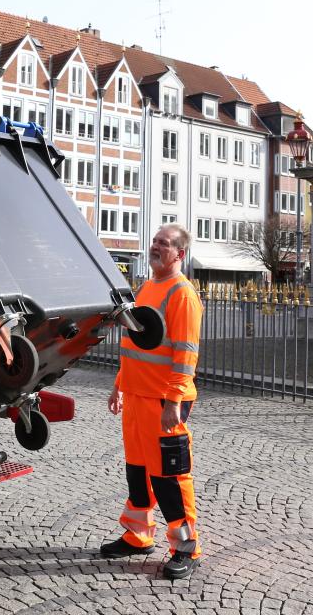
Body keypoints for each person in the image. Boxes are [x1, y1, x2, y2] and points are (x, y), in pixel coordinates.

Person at [101, 224, 203, 580]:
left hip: (164, 401)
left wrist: (174, 402)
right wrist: (120, 384)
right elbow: (137, 344)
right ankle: (138, 535)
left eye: (166, 243)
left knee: (169, 477)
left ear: (180, 254)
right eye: (155, 240)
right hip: (138, 396)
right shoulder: (148, 286)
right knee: (138, 471)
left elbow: (185, 356)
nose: (157, 246)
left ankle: (186, 549)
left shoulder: (182, 294)